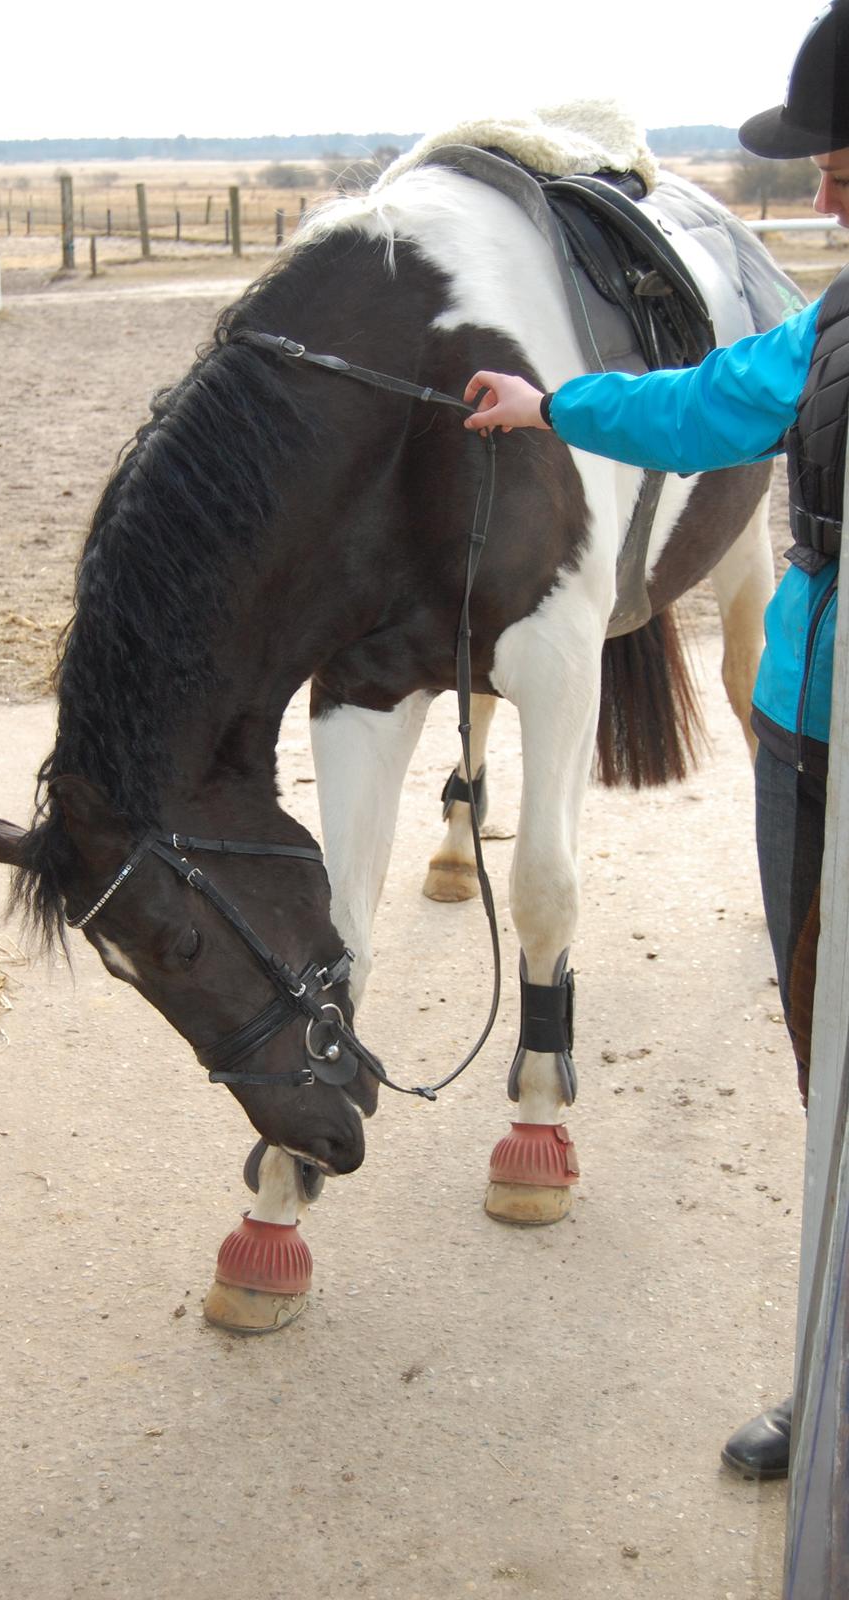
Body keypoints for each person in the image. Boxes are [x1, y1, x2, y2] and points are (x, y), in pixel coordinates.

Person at [463, 0, 849, 1481]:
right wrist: (553, 400)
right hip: (807, 728)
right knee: (829, 1070)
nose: (818, 195)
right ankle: (833, 1385)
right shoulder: (833, 319)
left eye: (845, 166)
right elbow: (715, 402)